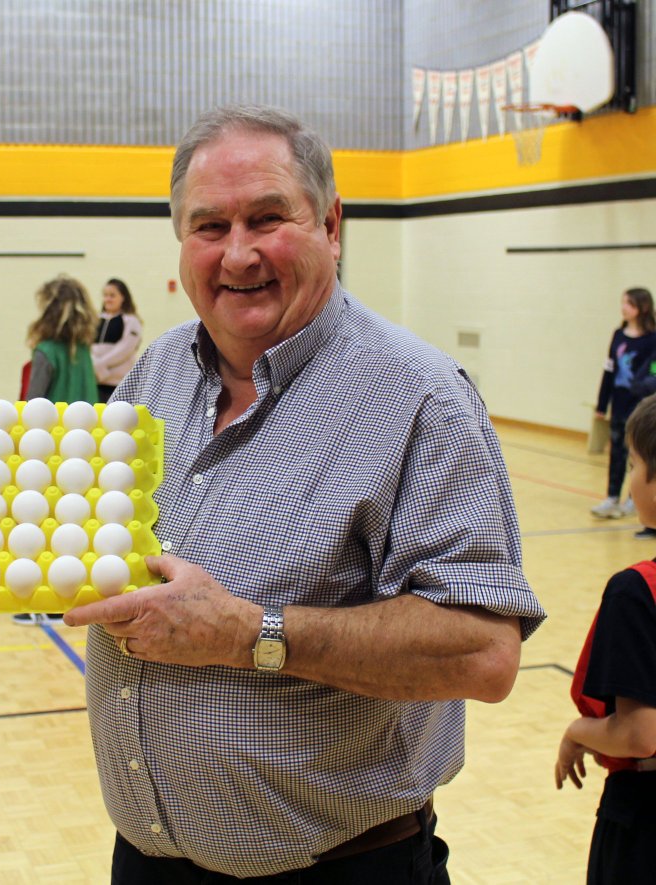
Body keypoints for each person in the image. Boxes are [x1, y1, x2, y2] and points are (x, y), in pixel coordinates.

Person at [62, 105, 547, 883]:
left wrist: (252, 632)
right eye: (209, 226)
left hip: (344, 868)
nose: (239, 252)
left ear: (331, 224)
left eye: (267, 217)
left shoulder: (420, 399)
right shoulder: (155, 371)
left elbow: (483, 651)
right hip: (149, 859)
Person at [556, 394, 656, 884]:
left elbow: (640, 734)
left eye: (634, 464)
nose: (630, 479)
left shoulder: (636, 590)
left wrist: (578, 732)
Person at [12, 274, 98, 626]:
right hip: (83, 447)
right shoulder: (84, 352)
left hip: (47, 450)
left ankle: (40, 600)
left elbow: (34, 404)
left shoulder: (46, 351)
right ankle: (64, 596)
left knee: (38, 525)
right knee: (71, 527)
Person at [590, 287, 656, 521]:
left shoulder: (652, 339)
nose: (623, 307)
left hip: (640, 406)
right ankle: (611, 496)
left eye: (628, 303)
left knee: (638, 454)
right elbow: (609, 370)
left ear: (642, 307)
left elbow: (653, 371)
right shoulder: (618, 335)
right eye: (623, 303)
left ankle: (633, 498)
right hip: (618, 402)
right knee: (616, 451)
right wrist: (601, 403)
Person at [23, 274, 98, 403]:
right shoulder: (83, 349)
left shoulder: (46, 351)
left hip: (55, 422)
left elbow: (33, 402)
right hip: (87, 421)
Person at [91, 278, 144, 403]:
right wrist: (95, 365)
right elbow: (88, 345)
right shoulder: (95, 320)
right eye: (105, 295)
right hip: (95, 383)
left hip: (118, 384)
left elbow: (125, 348)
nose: (108, 299)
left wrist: (100, 364)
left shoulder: (131, 321)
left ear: (123, 297)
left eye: (112, 295)